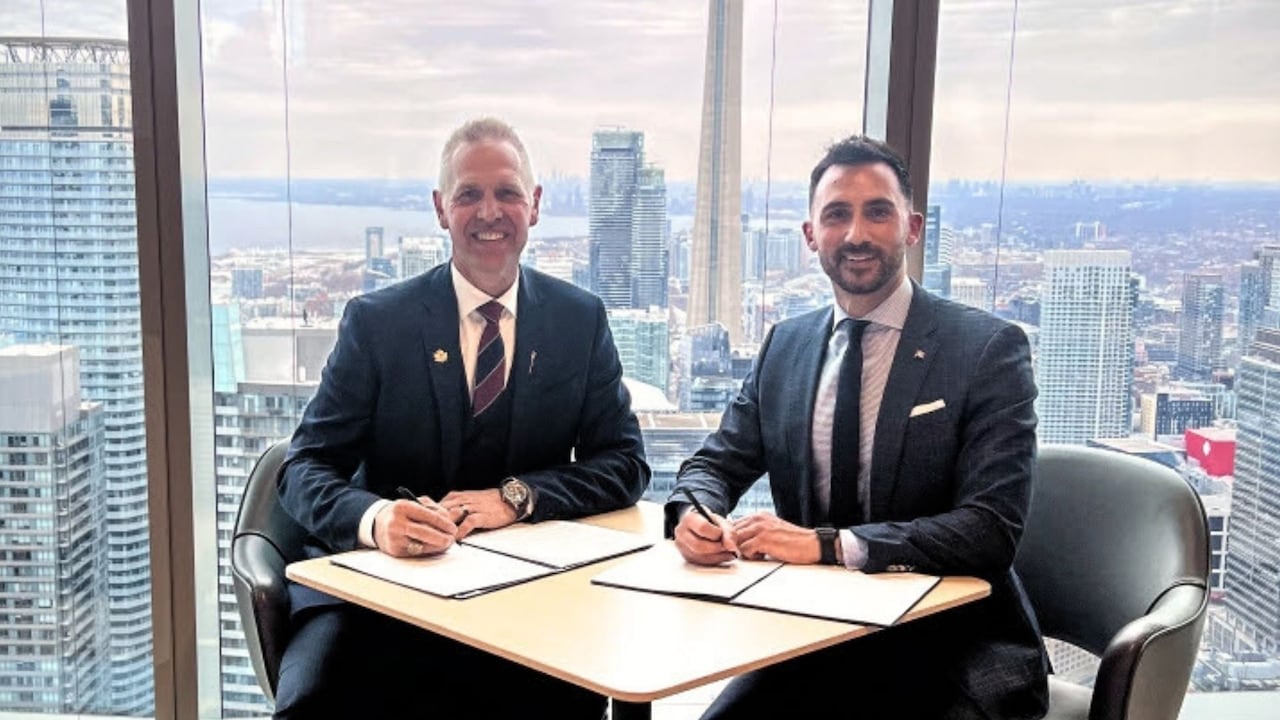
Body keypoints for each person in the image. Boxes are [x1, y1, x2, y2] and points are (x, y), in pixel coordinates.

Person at [274, 117, 649, 719]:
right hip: (377, 597)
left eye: (507, 192)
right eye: (468, 194)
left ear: (536, 205)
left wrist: (519, 497)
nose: (489, 211)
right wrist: (376, 519)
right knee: (315, 706)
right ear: (440, 209)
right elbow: (303, 469)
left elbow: (626, 465)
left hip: (528, 600)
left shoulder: (579, 321)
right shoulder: (377, 323)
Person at [670, 135, 1048, 719]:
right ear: (810, 236)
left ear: (912, 227)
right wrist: (694, 513)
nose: (856, 234)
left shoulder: (986, 350)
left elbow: (989, 530)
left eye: (878, 212)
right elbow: (714, 463)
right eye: (837, 215)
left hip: (949, 647)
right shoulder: (785, 347)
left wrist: (827, 545)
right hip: (813, 641)